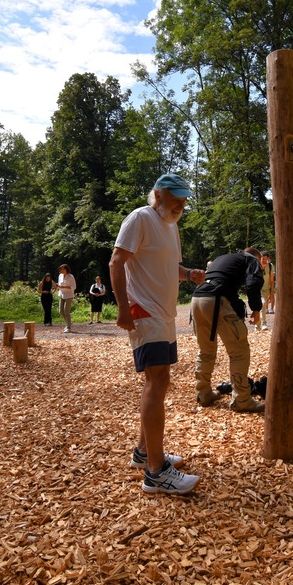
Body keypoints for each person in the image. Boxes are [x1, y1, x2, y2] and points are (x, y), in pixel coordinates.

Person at [110, 173, 205, 495]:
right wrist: (123, 308)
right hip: (144, 311)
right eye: (175, 197)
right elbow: (116, 261)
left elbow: (168, 267)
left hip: (165, 315)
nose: (181, 203)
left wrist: (188, 273)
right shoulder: (140, 218)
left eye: (183, 198)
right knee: (156, 378)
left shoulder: (171, 225)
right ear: (158, 195)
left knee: (162, 380)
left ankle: (143, 453)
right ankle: (155, 472)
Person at [191, 248, 265, 412]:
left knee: (206, 351)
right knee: (239, 352)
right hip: (216, 299)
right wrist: (256, 310)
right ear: (257, 257)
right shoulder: (251, 260)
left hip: (197, 298)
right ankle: (242, 399)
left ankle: (204, 394)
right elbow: (253, 283)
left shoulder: (223, 257)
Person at [56, 263, 76, 333]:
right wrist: (57, 286)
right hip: (61, 295)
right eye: (60, 269)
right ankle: (68, 323)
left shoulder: (71, 276)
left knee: (66, 311)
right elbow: (59, 285)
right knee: (61, 312)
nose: (61, 270)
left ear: (66, 269)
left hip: (69, 296)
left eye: (62, 269)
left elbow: (74, 287)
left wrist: (64, 287)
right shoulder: (60, 276)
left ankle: (68, 327)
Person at [257, 252, 275, 330]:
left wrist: (271, 294)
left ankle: (263, 323)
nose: (264, 260)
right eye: (262, 259)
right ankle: (257, 325)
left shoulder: (271, 267)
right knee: (258, 305)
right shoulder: (256, 266)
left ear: (268, 259)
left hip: (265, 290)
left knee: (263, 304)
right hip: (257, 289)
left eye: (265, 259)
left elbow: (271, 281)